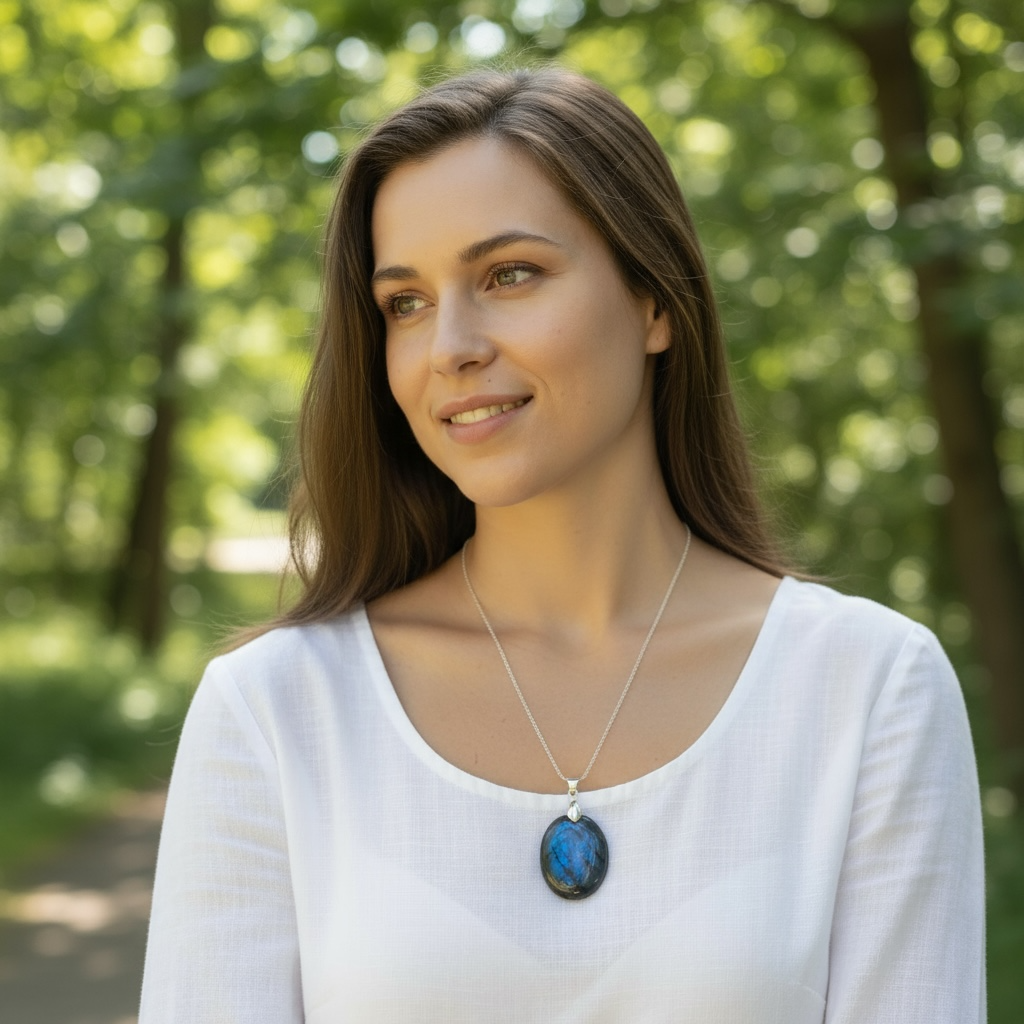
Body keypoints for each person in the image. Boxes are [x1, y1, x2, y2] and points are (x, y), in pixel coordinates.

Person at [138, 67, 985, 1022]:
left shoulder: (869, 690)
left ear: (655, 301)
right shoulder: (278, 712)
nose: (450, 345)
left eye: (509, 275)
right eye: (405, 302)